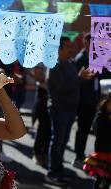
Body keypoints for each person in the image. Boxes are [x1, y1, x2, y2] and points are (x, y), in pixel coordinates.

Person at [45, 36, 93, 186]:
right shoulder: (54, 65)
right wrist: (79, 78)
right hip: (59, 108)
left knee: (64, 141)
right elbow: (61, 88)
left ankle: (59, 169)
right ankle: (52, 173)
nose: (71, 50)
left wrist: (84, 77)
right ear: (58, 50)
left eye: (70, 47)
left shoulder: (70, 63)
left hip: (70, 109)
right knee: (57, 141)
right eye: (67, 47)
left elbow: (75, 83)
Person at [73, 33, 100, 168]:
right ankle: (78, 156)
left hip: (94, 100)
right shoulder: (81, 58)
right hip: (84, 101)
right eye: (92, 43)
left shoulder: (95, 56)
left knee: (94, 130)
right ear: (86, 43)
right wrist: (84, 77)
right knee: (83, 130)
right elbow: (76, 82)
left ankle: (91, 156)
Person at [83, 91, 111, 189]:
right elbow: (101, 136)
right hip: (103, 152)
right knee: (101, 178)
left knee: (107, 180)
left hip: (109, 152)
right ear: (107, 102)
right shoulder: (100, 117)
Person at [32, 64, 51, 166]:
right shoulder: (42, 58)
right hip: (44, 94)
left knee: (50, 129)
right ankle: (37, 153)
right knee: (43, 127)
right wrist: (54, 79)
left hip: (55, 95)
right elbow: (37, 76)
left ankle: (45, 153)